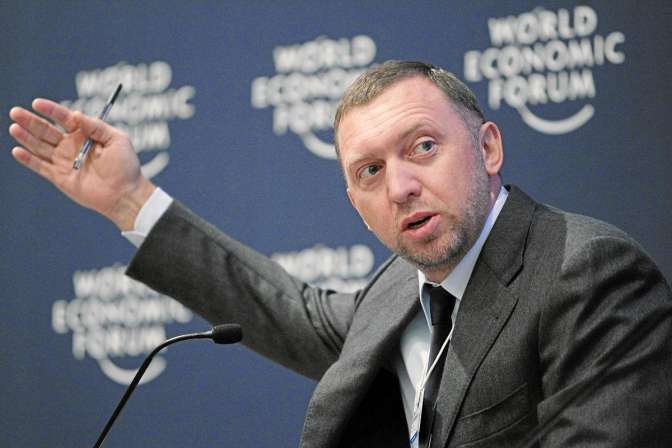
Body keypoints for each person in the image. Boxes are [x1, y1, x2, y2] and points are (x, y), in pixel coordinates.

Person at [8, 60, 672, 447]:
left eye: (422, 147)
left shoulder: (586, 272)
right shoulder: (398, 289)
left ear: (488, 148)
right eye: (369, 172)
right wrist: (130, 199)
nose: (401, 186)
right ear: (355, 202)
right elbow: (282, 310)